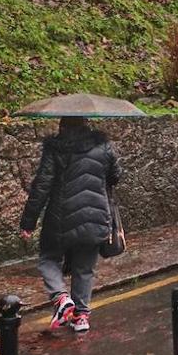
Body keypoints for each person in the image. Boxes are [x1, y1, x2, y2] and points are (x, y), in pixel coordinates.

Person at [20, 116, 121, 334]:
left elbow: (42, 187)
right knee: (84, 269)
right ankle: (81, 317)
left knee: (49, 257)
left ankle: (61, 297)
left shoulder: (56, 149)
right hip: (96, 217)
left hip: (61, 218)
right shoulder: (103, 146)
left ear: (63, 126)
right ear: (86, 123)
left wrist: (28, 222)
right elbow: (115, 175)